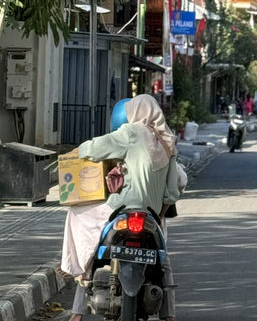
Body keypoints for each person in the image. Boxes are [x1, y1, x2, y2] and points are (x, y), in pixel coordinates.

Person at [61, 94, 180, 321]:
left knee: (79, 219)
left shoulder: (131, 132)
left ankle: (76, 289)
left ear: (135, 113)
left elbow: (94, 149)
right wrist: (159, 215)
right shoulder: (168, 142)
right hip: (151, 216)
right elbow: (172, 193)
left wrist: (78, 150)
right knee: (163, 259)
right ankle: (169, 315)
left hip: (120, 208)